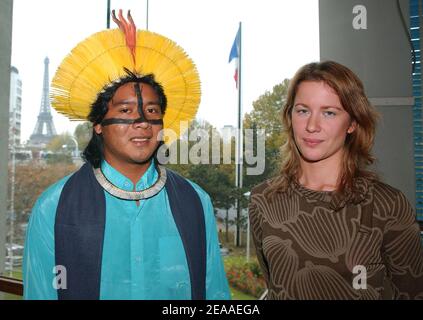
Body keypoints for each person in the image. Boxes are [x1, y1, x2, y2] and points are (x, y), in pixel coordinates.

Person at [23, 10, 230, 300]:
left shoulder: (196, 202)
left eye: (152, 111)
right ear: (98, 124)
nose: (142, 121)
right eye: (125, 110)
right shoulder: (53, 207)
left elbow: (216, 294)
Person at [248, 60, 423, 300]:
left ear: (352, 123)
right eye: (303, 110)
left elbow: (412, 293)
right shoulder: (263, 199)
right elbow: (277, 287)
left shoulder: (387, 205)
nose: (312, 125)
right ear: (290, 116)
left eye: (329, 113)